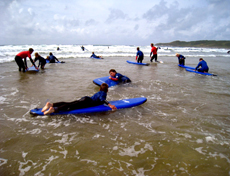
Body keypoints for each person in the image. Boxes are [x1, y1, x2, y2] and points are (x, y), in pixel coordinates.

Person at [41, 83, 117, 115]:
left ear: (100, 88)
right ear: (107, 90)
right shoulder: (104, 93)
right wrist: (110, 105)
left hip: (85, 99)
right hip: (87, 102)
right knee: (71, 107)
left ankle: (51, 104)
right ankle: (54, 109)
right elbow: (102, 100)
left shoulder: (99, 92)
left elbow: (101, 99)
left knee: (69, 103)